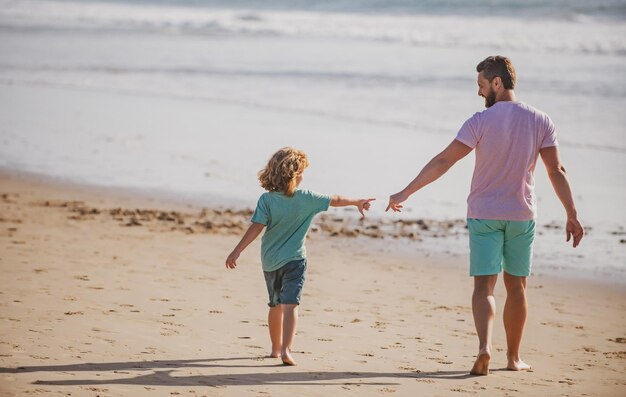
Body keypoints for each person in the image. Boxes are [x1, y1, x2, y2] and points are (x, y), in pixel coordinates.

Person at [386, 56, 584, 375]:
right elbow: (555, 169)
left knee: (484, 287)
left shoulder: (479, 121)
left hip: (483, 215)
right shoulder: (540, 120)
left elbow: (443, 161)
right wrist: (571, 213)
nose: (479, 93)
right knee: (517, 287)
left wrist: (406, 192)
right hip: (521, 215)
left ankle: (484, 348)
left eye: (481, 85)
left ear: (497, 83)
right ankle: (514, 358)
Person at [225, 147, 375, 366]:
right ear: (295, 174)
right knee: (291, 305)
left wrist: (237, 250)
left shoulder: (266, 200)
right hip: (295, 260)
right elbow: (336, 199)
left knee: (275, 305)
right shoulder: (307, 198)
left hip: (270, 261)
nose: (304, 176)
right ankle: (286, 350)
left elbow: (256, 228)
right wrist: (357, 202)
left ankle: (275, 349)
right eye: (303, 172)